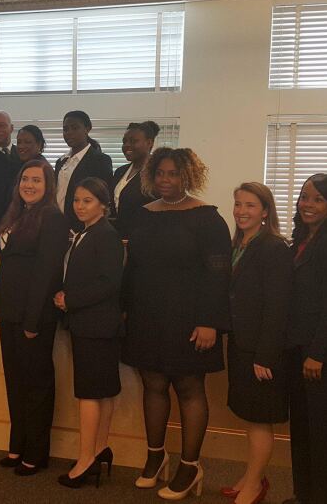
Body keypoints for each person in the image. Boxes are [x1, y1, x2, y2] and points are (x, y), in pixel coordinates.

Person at [121, 147, 231, 500]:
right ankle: (156, 457)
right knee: (152, 383)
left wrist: (210, 321)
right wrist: (125, 310)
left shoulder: (207, 217)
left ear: (188, 176)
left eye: (173, 174)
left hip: (190, 318)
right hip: (147, 315)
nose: (166, 180)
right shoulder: (142, 215)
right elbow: (132, 268)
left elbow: (218, 275)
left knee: (188, 387)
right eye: (160, 174)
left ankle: (190, 465)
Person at [0, 159, 69, 476]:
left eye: (37, 180)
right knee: (15, 382)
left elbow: (46, 273)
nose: (30, 185)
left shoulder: (53, 218)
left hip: (32, 316)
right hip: (8, 312)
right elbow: (8, 265)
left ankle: (36, 453)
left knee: (36, 385)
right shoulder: (17, 214)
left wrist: (32, 321)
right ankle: (17, 445)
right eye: (25, 179)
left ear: (48, 185)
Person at [282, 173, 327, 504]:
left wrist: (319, 353)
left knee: (325, 434)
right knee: (303, 430)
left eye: (318, 199)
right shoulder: (301, 239)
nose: (308, 204)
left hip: (322, 356)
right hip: (298, 349)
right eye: (304, 197)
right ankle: (304, 494)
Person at [222, 182, 292, 504]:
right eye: (238, 204)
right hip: (241, 343)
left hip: (262, 350)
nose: (241, 211)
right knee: (250, 416)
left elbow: (278, 305)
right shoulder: (240, 243)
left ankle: (255, 486)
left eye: (250, 205)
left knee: (260, 418)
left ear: (265, 211)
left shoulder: (273, 247)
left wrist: (265, 355)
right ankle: (251, 476)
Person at [53, 178, 124, 489]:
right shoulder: (87, 233)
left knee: (89, 394)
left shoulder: (105, 235)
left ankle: (85, 461)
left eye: (88, 201)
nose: (80, 206)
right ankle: (98, 449)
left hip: (96, 325)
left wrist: (70, 300)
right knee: (102, 390)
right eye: (77, 200)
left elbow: (109, 283)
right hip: (96, 325)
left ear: (103, 205)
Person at [55, 111, 113, 230]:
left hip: (83, 226)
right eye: (65, 129)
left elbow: (103, 198)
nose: (69, 132)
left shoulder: (100, 160)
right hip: (59, 225)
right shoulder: (61, 161)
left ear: (87, 129)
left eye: (75, 128)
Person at [112, 121, 158, 238]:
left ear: (149, 143)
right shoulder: (120, 172)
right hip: (120, 237)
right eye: (124, 141)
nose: (127, 145)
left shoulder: (156, 173)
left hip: (146, 238)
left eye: (133, 141)